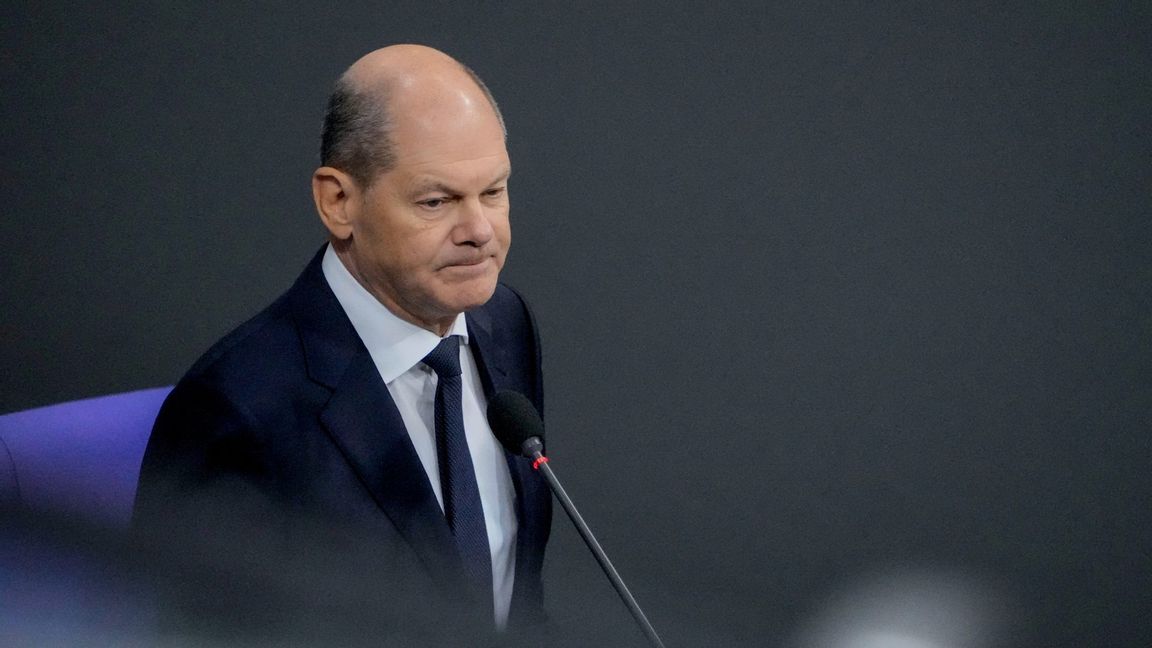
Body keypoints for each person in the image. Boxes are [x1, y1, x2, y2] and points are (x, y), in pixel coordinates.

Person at [133, 44, 550, 646]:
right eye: (437, 201)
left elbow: (520, 600)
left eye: (494, 192)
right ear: (339, 202)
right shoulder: (238, 412)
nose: (479, 232)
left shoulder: (505, 325)